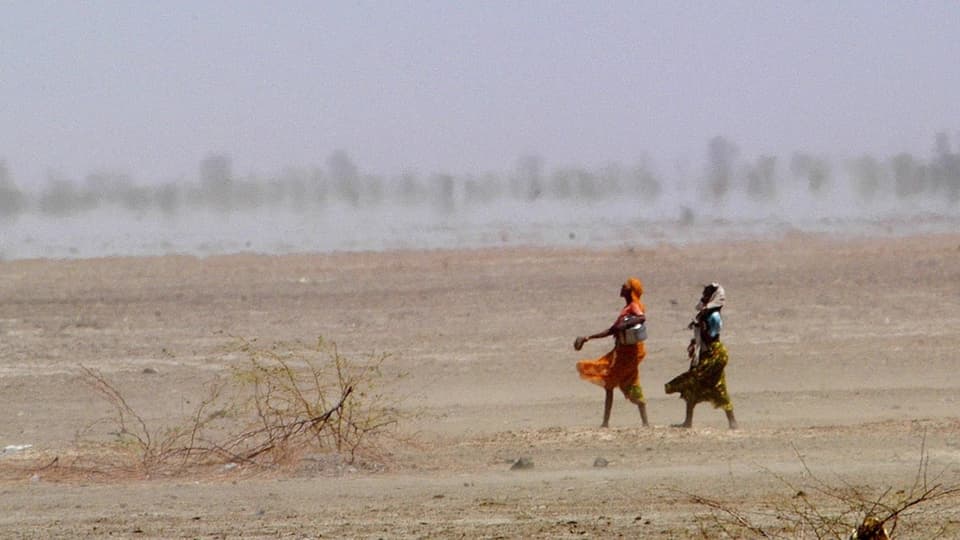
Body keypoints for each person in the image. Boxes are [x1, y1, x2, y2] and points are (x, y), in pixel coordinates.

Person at [574, 278, 649, 428]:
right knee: (629, 384)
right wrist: (588, 338)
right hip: (621, 352)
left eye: (625, 285)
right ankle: (644, 422)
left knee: (611, 384)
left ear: (631, 290)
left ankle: (606, 423)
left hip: (628, 354)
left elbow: (642, 317)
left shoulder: (633, 306)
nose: (622, 286)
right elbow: (611, 331)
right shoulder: (627, 308)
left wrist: (625, 324)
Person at [665, 282, 738, 429]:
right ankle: (688, 422)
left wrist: (700, 327)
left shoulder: (714, 316)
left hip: (715, 354)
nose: (703, 297)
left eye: (706, 294)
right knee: (694, 387)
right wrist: (694, 342)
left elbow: (711, 335)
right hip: (706, 352)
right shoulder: (704, 314)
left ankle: (732, 422)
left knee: (707, 383)